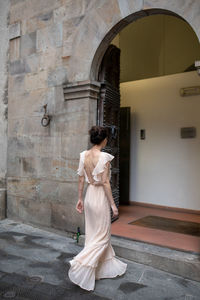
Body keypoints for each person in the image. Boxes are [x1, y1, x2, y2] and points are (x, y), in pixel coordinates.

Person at [68, 126, 127, 291]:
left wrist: (79, 198)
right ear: (104, 140)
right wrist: (113, 205)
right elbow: (106, 182)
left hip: (89, 195)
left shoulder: (83, 155)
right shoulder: (104, 157)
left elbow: (81, 179)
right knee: (102, 236)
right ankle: (81, 262)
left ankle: (99, 268)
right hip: (100, 196)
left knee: (93, 233)